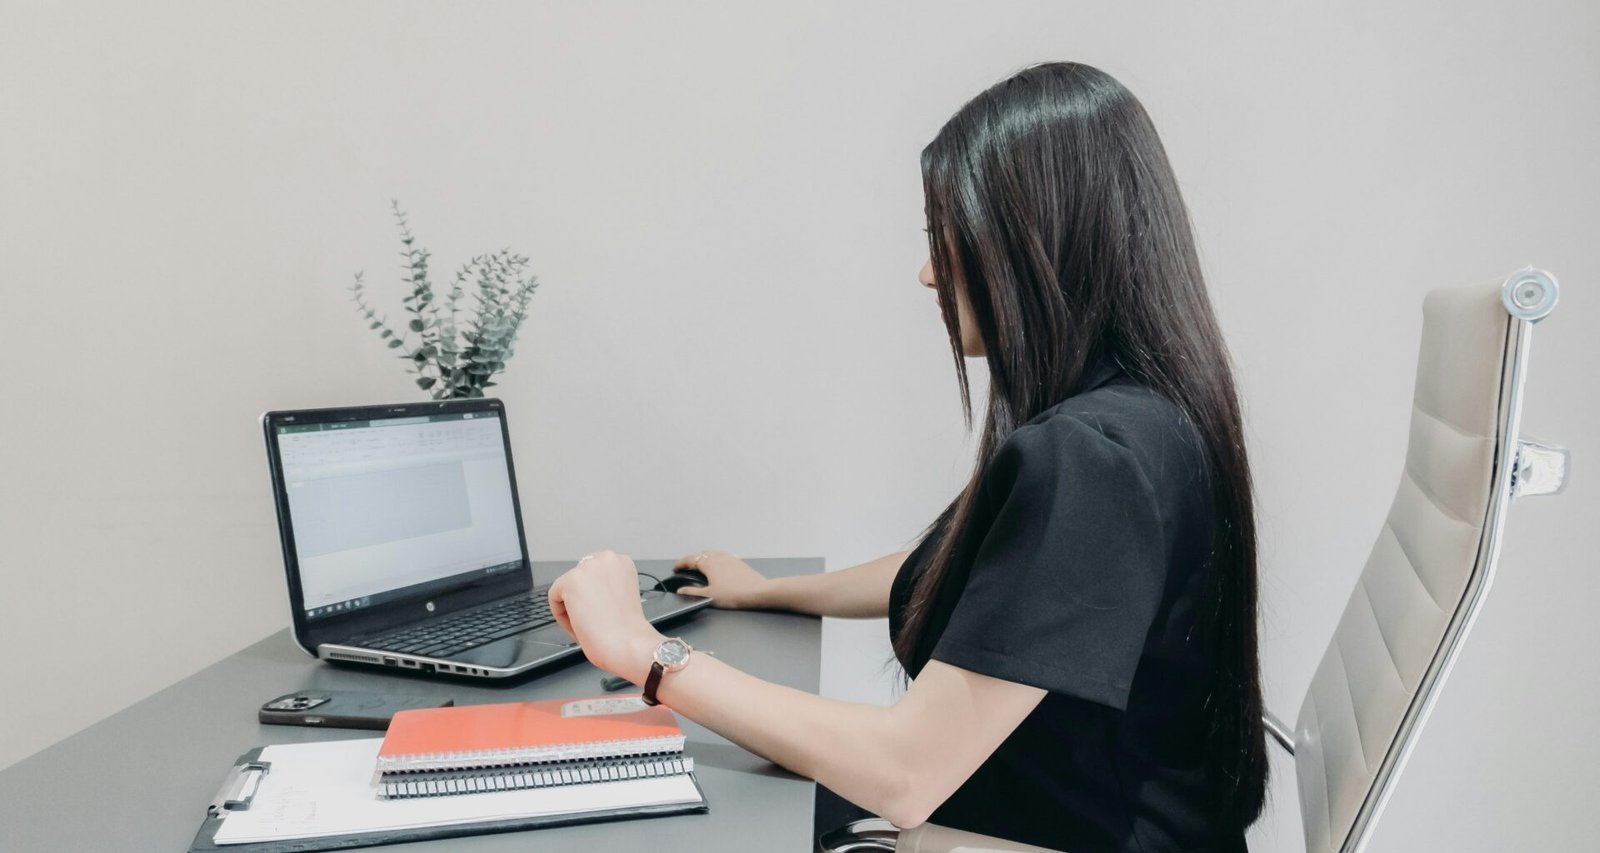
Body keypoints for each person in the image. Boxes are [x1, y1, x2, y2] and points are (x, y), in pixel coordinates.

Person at [547, 61, 1268, 853]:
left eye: (947, 235)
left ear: (1036, 238)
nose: (930, 271)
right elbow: (968, 570)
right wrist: (771, 590)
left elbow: (905, 771)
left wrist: (643, 652)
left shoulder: (1091, 460)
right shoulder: (1147, 414)